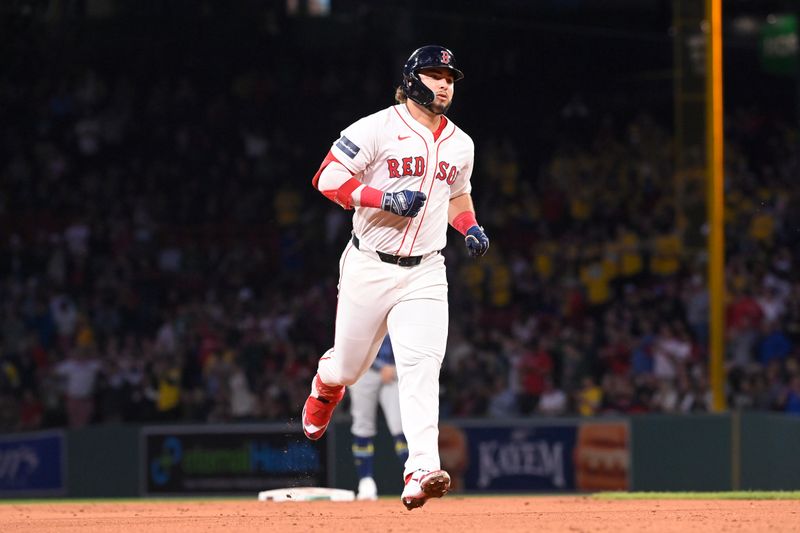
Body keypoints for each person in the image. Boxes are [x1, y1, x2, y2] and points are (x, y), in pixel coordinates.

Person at [301, 44, 489, 510]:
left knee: (420, 367)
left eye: (449, 76)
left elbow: (458, 197)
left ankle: (420, 468)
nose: (444, 83)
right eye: (434, 74)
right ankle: (326, 382)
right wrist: (381, 198)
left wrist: (470, 227)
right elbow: (326, 178)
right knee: (350, 369)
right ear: (411, 79)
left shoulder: (461, 143)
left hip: (426, 270)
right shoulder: (376, 127)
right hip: (370, 264)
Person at [348, 335, 408, 501]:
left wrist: (395, 366)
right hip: (363, 369)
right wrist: (380, 366)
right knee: (362, 426)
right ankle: (365, 481)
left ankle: (413, 479)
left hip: (395, 368)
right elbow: (352, 338)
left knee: (403, 426)